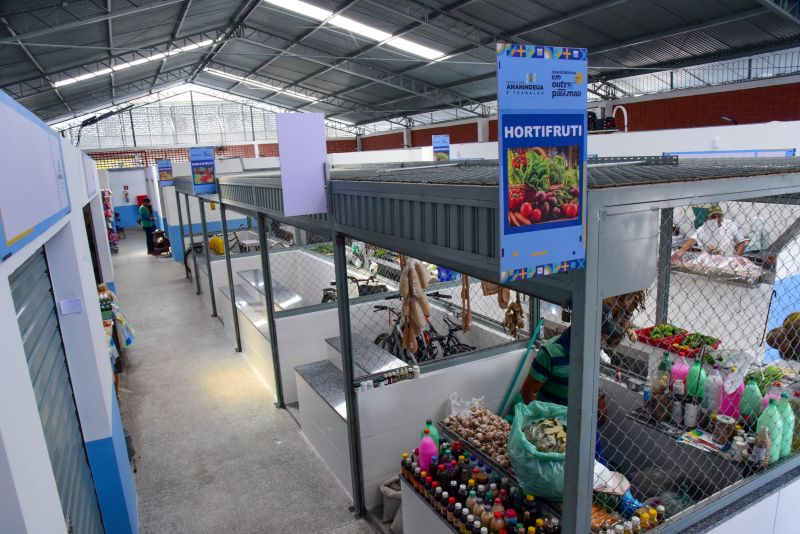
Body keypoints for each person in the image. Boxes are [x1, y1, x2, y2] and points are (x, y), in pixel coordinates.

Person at [515, 301, 632, 464]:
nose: (603, 339)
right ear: (582, 329)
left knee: (596, 472)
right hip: (555, 429)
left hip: (585, 425)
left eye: (604, 334)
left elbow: (589, 380)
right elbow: (527, 393)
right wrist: (546, 424)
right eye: (600, 333)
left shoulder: (591, 350)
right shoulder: (550, 353)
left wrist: (599, 397)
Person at [672, 205, 748, 263]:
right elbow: (692, 240)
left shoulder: (730, 224)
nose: (717, 219)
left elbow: (742, 242)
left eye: (718, 216)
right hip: (709, 259)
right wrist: (680, 253)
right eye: (713, 217)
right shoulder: (704, 227)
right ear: (708, 218)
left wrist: (735, 257)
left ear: (722, 216)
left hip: (727, 259)